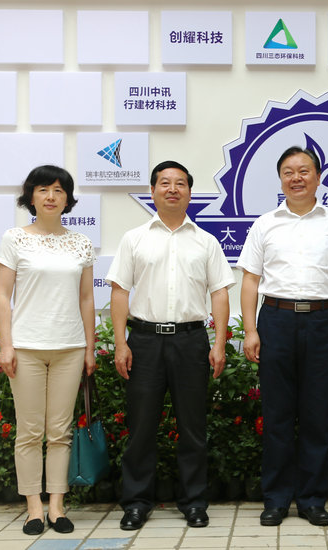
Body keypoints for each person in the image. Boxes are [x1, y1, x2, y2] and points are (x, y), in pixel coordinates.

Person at [237, 146, 328, 527]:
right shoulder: (265, 224)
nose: (297, 178)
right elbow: (250, 279)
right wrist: (250, 330)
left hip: (323, 321)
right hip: (275, 320)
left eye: (304, 171)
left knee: (316, 415)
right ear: (280, 179)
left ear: (318, 177)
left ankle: (312, 499)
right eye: (289, 172)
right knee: (276, 414)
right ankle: (276, 499)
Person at [107, 160, 234, 530]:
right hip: (144, 341)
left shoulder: (206, 241)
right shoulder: (134, 238)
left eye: (180, 183)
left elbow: (220, 293)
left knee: (193, 427)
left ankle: (194, 502)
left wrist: (219, 343)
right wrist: (120, 343)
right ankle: (136, 503)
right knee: (141, 427)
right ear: (153, 191)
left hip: (190, 341)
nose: (172, 189)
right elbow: (119, 292)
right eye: (165, 183)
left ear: (190, 193)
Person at [0, 165, 96, 536]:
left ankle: (57, 506)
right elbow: (2, 297)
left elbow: (87, 299)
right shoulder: (15, 239)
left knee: (60, 432)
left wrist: (89, 347)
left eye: (58, 190)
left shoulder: (81, 243)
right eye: (43, 189)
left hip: (70, 347)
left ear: (68, 199)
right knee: (29, 431)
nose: (51, 196)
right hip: (26, 348)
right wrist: (6, 345)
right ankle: (33, 508)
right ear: (31, 197)